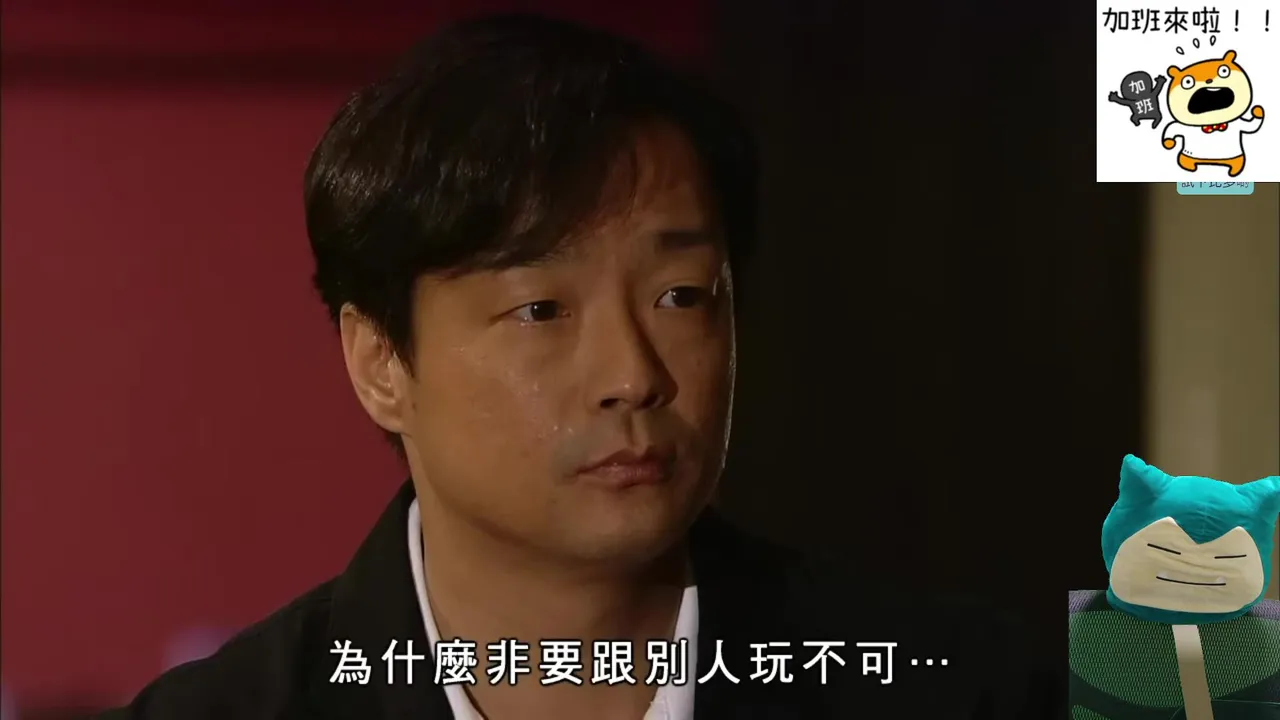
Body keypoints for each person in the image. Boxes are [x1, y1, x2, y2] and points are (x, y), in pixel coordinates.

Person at [100, 13, 1060, 720]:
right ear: (381, 361)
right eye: (541, 310)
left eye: (681, 296)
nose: (633, 375)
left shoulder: (968, 691)